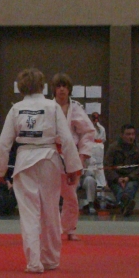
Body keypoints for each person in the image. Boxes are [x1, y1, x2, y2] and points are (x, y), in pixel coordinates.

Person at [0, 68, 81, 272]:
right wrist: (72, 168)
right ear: (43, 86)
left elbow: (4, 144)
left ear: (21, 87)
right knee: (51, 210)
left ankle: (33, 262)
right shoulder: (53, 107)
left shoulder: (16, 109)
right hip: (49, 160)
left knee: (29, 213)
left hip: (25, 161)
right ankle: (50, 259)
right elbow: (67, 140)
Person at [52, 73, 95, 241]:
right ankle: (51, 230)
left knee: (70, 195)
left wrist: (82, 155)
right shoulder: (48, 107)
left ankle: (69, 228)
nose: (62, 89)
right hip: (50, 154)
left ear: (69, 89)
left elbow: (88, 131)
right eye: (58, 86)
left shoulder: (76, 108)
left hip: (70, 155)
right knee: (49, 195)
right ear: (54, 89)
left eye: (65, 86)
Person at [105, 124, 139, 217]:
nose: (131, 137)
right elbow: (107, 167)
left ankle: (124, 204)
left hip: (132, 178)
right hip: (116, 179)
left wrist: (129, 178)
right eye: (128, 134)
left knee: (130, 187)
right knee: (119, 189)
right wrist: (117, 179)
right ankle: (127, 204)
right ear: (122, 135)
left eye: (133, 134)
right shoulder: (113, 148)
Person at [81, 112, 107, 215]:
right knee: (89, 177)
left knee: (99, 176)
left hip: (98, 155)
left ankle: (99, 199)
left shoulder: (101, 129)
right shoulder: (85, 131)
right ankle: (88, 203)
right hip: (86, 166)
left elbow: (103, 139)